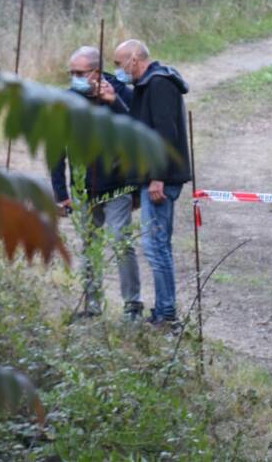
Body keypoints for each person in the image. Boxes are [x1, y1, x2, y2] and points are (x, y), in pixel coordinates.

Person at [50, 46, 142, 321]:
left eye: (80, 73)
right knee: (89, 247)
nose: (75, 77)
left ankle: (132, 306)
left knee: (121, 243)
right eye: (72, 73)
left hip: (117, 186)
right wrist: (60, 193)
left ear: (96, 72)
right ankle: (92, 305)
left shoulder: (121, 94)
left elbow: (136, 134)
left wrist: (112, 102)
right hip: (82, 190)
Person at [113, 39, 191, 328]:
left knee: (155, 246)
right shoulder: (146, 85)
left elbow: (165, 134)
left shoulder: (159, 84)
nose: (118, 70)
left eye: (119, 64)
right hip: (152, 179)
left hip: (161, 179)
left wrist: (157, 176)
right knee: (159, 245)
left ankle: (166, 314)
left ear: (135, 59)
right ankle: (164, 311)